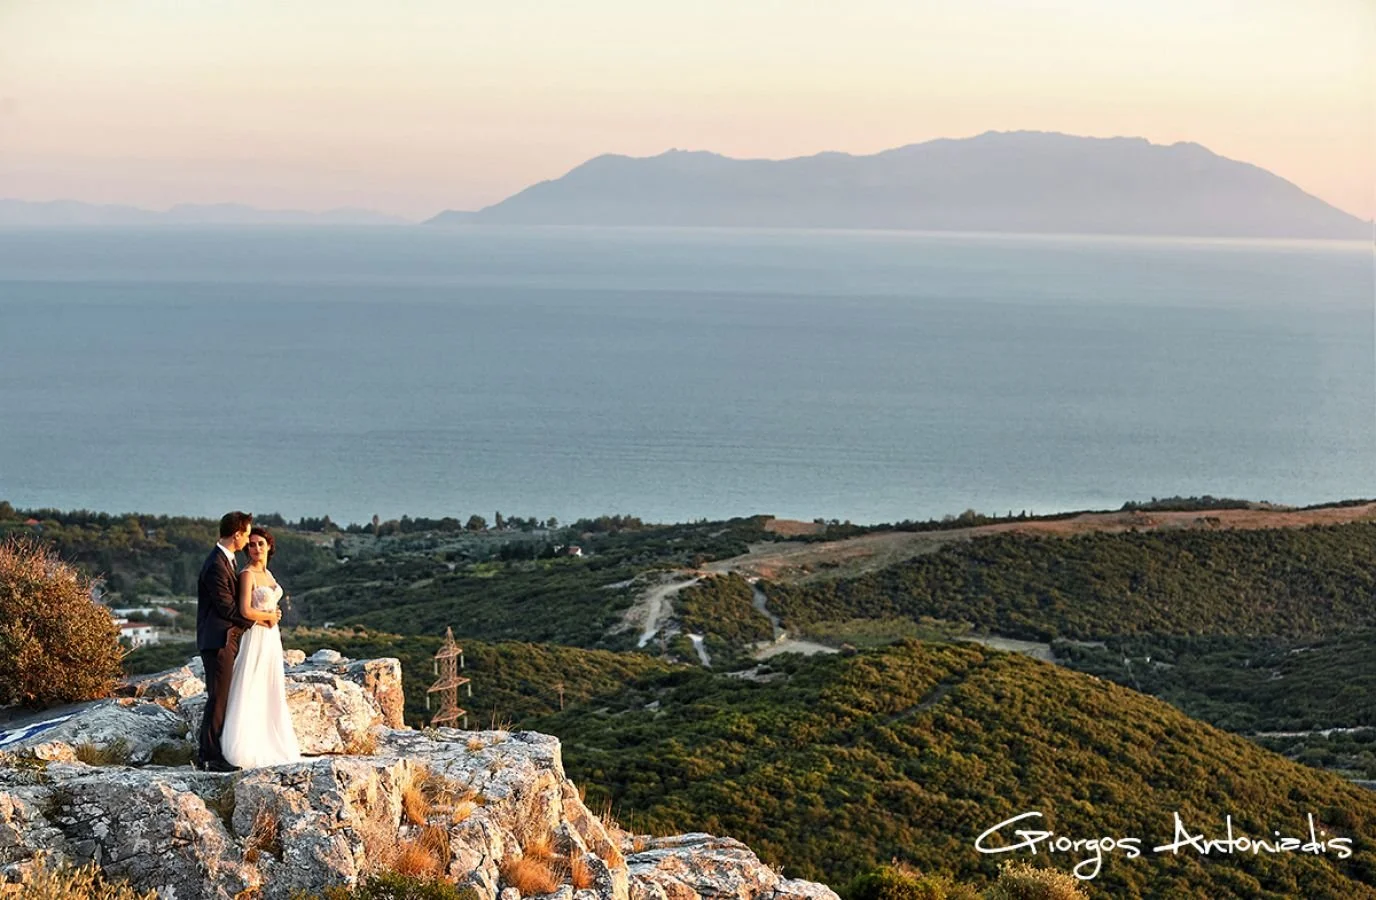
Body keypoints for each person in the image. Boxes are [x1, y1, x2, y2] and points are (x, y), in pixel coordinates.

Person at [221, 526, 301, 768]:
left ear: (269, 547)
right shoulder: (247, 574)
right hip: (255, 634)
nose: (255, 548)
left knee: (270, 685)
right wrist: (267, 617)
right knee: (251, 683)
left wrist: (273, 614)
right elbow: (244, 610)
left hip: (271, 638)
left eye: (260, 544)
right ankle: (245, 744)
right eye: (252, 544)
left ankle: (271, 738)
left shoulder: (268, 574)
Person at [196, 510, 266, 771]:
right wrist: (258, 619)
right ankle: (209, 757)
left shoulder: (227, 560)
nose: (248, 540)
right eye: (247, 534)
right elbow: (226, 608)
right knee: (218, 697)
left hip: (226, 638)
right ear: (237, 534)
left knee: (223, 696)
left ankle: (214, 751)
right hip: (218, 640)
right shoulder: (216, 564)